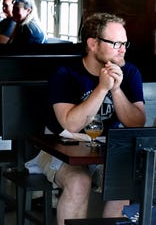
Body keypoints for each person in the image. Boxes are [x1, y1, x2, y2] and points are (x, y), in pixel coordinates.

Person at [34, 13, 145, 225]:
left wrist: (117, 89)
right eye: (116, 43)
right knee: (79, 181)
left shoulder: (129, 73)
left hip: (106, 151)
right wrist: (102, 88)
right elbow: (71, 124)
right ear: (93, 44)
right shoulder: (65, 73)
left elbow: (136, 123)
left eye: (124, 43)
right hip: (60, 148)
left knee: (122, 182)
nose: (123, 49)